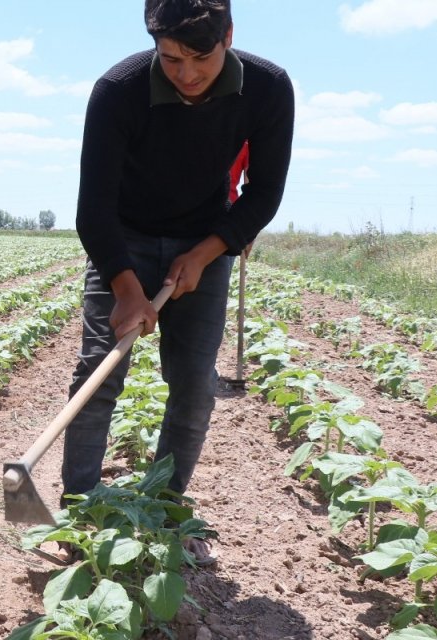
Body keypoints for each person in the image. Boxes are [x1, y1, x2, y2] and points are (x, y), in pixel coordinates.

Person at [65, 0, 293, 564]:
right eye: (170, 59)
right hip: (124, 237)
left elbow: (263, 194)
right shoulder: (118, 90)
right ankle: (79, 510)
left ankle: (165, 508)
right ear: (153, 43)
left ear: (229, 37)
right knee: (102, 365)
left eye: (201, 58)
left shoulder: (268, 88)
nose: (187, 75)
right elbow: (93, 209)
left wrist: (208, 252)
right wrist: (126, 289)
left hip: (205, 240)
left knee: (193, 381)